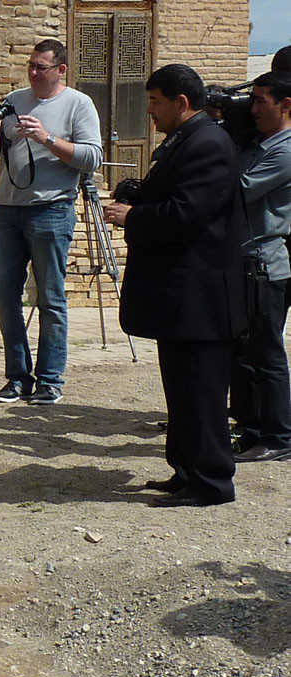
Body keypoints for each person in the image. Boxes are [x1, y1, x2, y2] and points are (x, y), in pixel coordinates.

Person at [104, 64, 245, 508]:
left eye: (154, 101)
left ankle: (211, 482)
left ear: (181, 103)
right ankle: (186, 471)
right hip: (180, 296)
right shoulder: (185, 141)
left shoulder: (207, 144)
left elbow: (188, 214)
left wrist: (134, 217)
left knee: (202, 392)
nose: (149, 112)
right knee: (183, 391)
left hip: (200, 296)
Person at [0, 39, 102, 405]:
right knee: (4, 297)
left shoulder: (79, 104)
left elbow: (92, 157)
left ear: (60, 69)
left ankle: (50, 380)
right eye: (30, 65)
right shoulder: (14, 99)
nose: (33, 73)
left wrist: (46, 138)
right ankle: (17, 378)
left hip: (51, 210)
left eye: (41, 67)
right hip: (7, 210)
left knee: (50, 298)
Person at [229, 72, 291, 462]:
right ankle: (251, 428)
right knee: (241, 353)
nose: (252, 110)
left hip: (265, 264)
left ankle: (280, 436)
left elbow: (238, 189)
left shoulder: (285, 150)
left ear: (286, 105)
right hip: (240, 260)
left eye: (261, 102)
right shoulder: (256, 142)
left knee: (267, 355)